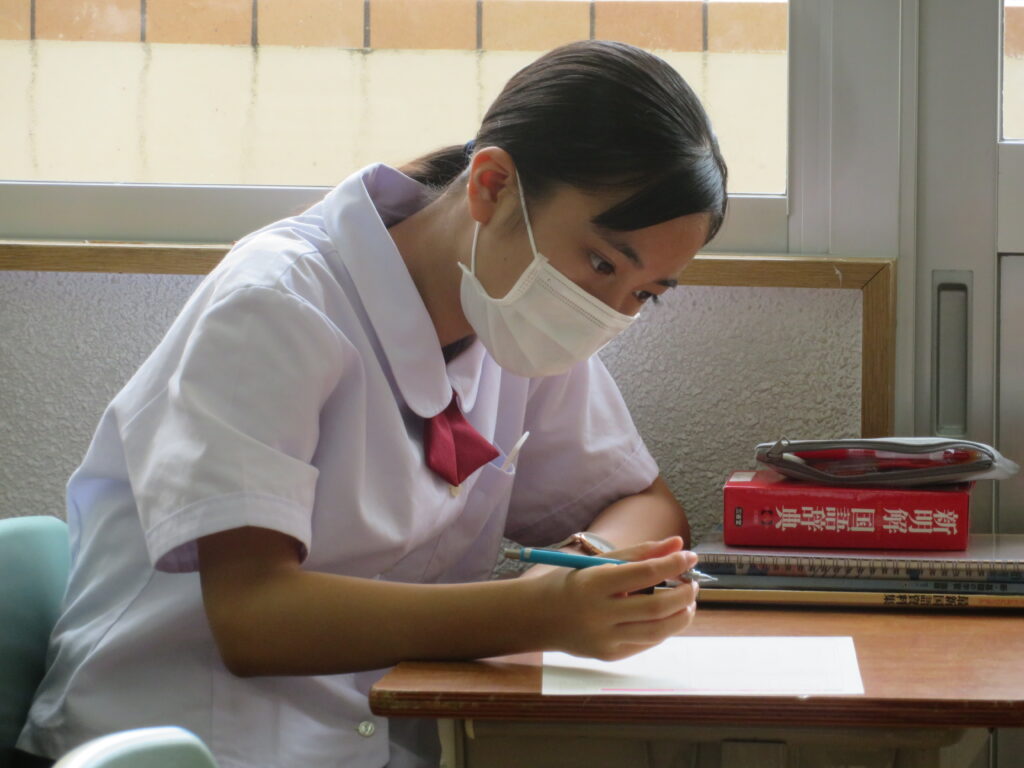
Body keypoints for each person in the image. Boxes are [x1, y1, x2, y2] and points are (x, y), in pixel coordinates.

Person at [16, 40, 727, 768]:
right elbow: (253, 617)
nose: (606, 310)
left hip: (366, 743)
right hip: (189, 742)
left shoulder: (518, 321)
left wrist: (584, 567)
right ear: (491, 187)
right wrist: (536, 612)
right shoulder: (277, 304)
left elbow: (645, 504)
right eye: (603, 262)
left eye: (644, 294)